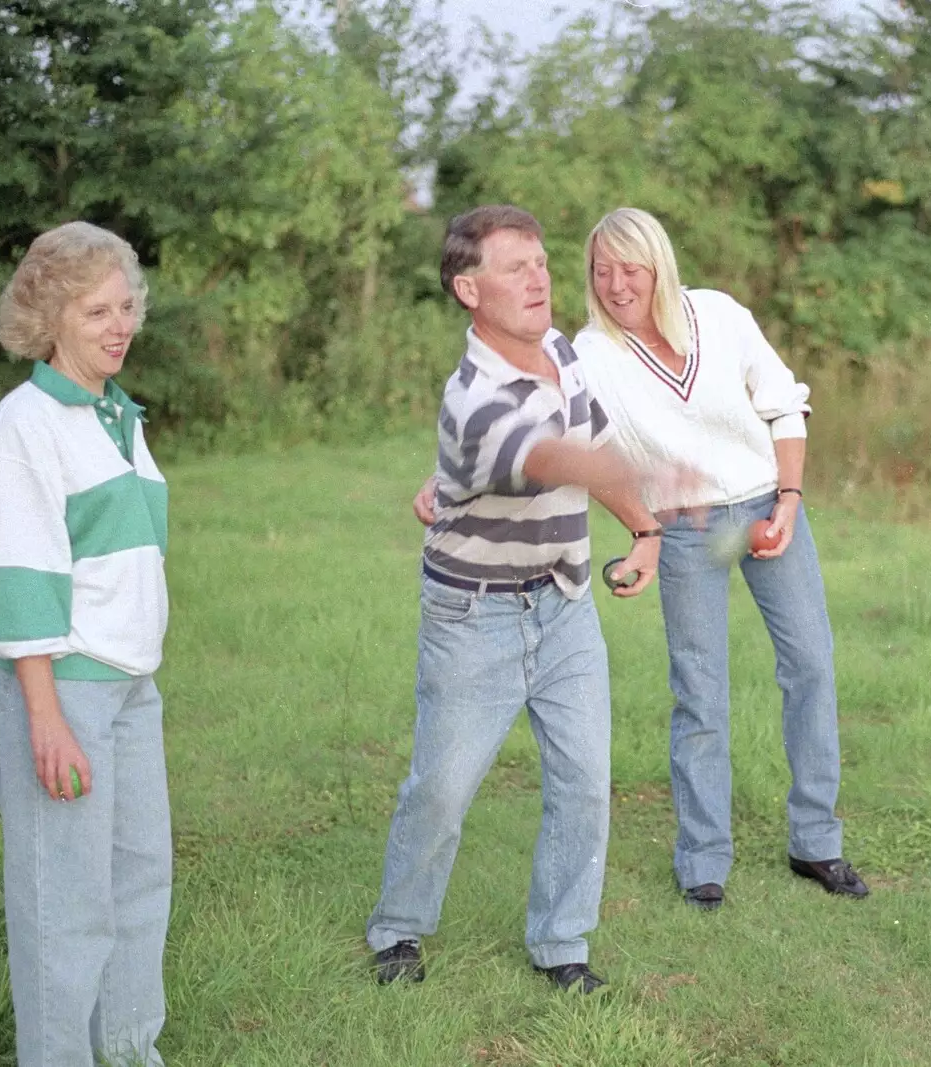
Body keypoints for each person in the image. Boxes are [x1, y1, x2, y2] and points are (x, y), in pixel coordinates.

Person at [369, 205, 667, 994]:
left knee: (584, 780)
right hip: (476, 615)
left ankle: (562, 945)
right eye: (515, 267)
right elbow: (550, 457)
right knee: (442, 786)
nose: (539, 277)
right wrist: (667, 478)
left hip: (565, 602)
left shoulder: (564, 351)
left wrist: (646, 529)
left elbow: (594, 440)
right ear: (469, 289)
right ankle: (398, 930)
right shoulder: (472, 398)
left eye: (541, 262)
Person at [569, 206, 868, 910]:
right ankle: (703, 857)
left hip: (767, 506)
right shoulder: (590, 354)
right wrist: (644, 526)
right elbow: (579, 451)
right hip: (684, 530)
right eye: (602, 271)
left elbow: (782, 404)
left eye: (631, 268)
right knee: (699, 690)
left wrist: (789, 500)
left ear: (659, 267)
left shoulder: (720, 315)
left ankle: (816, 841)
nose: (616, 285)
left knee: (812, 665)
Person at [0, 221, 172, 1065]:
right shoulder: (27, 425)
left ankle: (128, 1050)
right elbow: (24, 581)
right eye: (97, 310)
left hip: (130, 687)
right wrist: (45, 719)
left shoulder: (114, 413)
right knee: (66, 906)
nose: (119, 323)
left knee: (138, 886)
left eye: (127, 305)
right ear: (50, 317)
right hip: (60, 691)